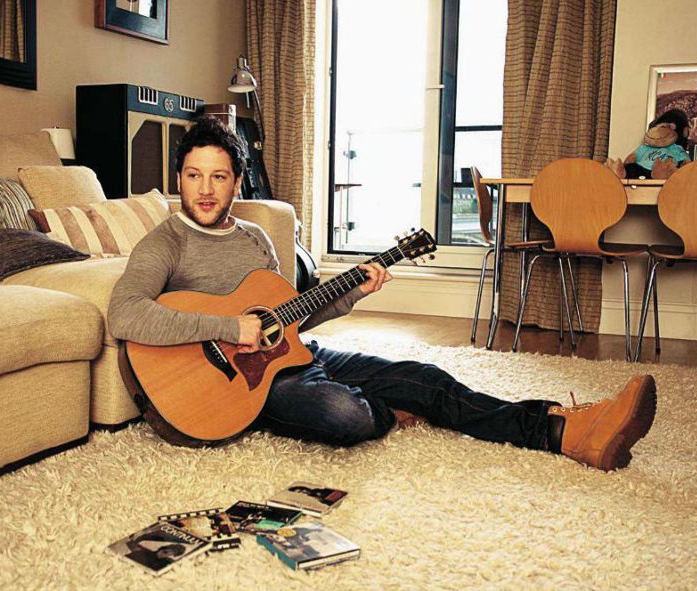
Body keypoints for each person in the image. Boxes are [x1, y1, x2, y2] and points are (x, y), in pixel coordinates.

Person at [108, 117, 657, 473]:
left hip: (296, 358)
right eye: (194, 176)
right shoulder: (165, 243)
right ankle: (385, 410)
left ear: (236, 181)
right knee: (343, 416)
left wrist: (352, 293)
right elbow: (125, 314)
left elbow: (287, 321)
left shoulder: (255, 238)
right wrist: (230, 328)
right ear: (179, 178)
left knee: (426, 377)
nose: (206, 190)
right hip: (243, 387)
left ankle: (563, 430)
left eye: (219, 177)